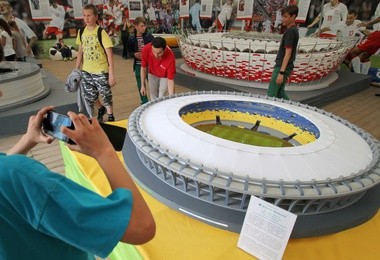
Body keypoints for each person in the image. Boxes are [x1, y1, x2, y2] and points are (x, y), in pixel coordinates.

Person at [0, 106, 155, 259]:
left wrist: (26, 140)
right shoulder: (22, 176)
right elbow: (140, 227)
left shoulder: (10, 171)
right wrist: (103, 151)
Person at [75, 4, 116, 122]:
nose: (86, 18)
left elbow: (110, 54)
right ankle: (101, 108)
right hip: (86, 70)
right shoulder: (81, 31)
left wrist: (111, 74)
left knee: (105, 94)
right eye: (84, 15)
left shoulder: (101, 32)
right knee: (89, 95)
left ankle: (111, 115)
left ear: (95, 17)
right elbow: (80, 52)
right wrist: (76, 69)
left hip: (101, 69)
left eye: (89, 15)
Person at [267, 5, 299, 100]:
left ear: (293, 17)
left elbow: (288, 53)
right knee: (280, 93)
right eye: (283, 16)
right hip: (285, 66)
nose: (283, 19)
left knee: (272, 93)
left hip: (282, 67)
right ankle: (293, 109)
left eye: (285, 16)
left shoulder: (290, 32)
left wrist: (281, 72)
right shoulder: (293, 30)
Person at [127, 16, 154, 104]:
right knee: (140, 84)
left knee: (152, 83)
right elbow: (128, 51)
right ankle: (144, 101)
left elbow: (155, 49)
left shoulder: (149, 37)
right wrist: (134, 54)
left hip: (149, 65)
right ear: (136, 26)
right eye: (141, 26)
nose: (144, 28)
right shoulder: (131, 38)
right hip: (138, 65)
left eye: (144, 26)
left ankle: (155, 100)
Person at [140, 36, 176, 101]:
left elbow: (170, 80)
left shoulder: (170, 58)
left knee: (161, 96)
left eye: (159, 53)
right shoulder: (146, 49)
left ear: (164, 49)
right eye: (154, 52)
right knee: (153, 95)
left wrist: (172, 98)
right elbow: (143, 68)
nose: (156, 56)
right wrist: (143, 85)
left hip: (165, 76)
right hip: (152, 73)